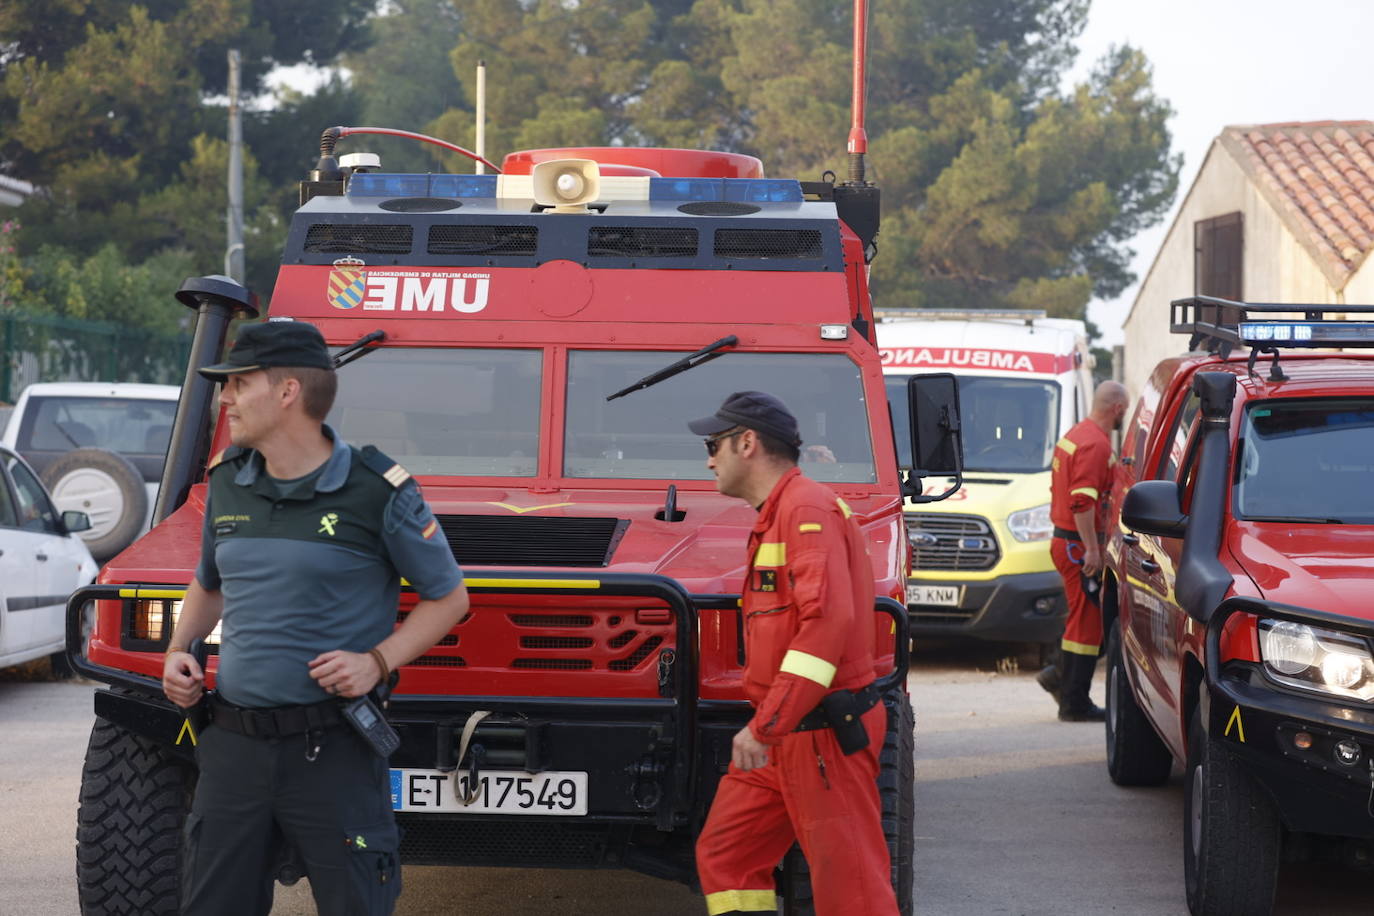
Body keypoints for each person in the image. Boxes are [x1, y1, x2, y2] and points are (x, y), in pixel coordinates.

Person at [161, 320, 469, 916]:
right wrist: (179, 648)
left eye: (237, 383)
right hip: (233, 751)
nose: (225, 398)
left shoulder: (375, 489)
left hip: (333, 753)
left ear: (287, 393)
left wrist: (377, 661)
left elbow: (449, 597)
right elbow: (209, 583)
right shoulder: (228, 481)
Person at [689, 391, 898, 916]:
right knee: (728, 853)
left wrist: (767, 726)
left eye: (715, 444)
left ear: (748, 443)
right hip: (785, 731)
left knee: (851, 891)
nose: (709, 458)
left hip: (819, 731)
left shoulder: (805, 509)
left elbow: (824, 629)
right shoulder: (781, 511)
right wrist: (770, 726)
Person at [1037, 380, 1129, 721]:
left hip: (1067, 541)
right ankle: (1074, 702)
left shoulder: (1077, 434)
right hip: (1078, 546)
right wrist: (1092, 549)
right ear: (1118, 409)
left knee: (1083, 620)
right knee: (1087, 626)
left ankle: (1059, 678)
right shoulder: (1095, 444)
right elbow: (1082, 502)